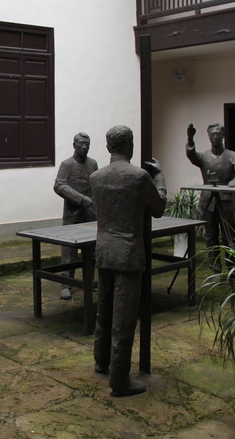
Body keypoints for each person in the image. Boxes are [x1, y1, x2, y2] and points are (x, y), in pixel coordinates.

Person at [90, 125, 166, 397]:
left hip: (104, 250)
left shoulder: (96, 177)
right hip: (128, 253)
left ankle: (101, 361)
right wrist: (160, 177)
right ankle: (120, 379)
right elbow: (159, 208)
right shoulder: (139, 176)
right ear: (130, 145)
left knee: (104, 311)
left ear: (108, 146)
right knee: (123, 318)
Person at [186, 123, 235, 266]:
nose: (215, 137)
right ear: (208, 136)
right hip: (207, 201)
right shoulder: (204, 156)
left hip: (226, 201)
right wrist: (190, 139)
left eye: (218, 134)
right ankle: (214, 266)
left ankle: (232, 267)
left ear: (223, 135)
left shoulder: (233, 155)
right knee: (210, 235)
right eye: (212, 134)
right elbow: (192, 156)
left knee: (229, 235)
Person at [53, 132, 98, 299]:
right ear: (74, 145)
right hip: (73, 214)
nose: (84, 147)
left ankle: (89, 281)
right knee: (69, 251)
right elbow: (59, 186)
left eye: (87, 144)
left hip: (90, 214)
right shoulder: (67, 164)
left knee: (91, 250)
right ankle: (66, 284)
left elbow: (95, 185)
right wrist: (81, 199)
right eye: (81, 144)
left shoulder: (93, 164)